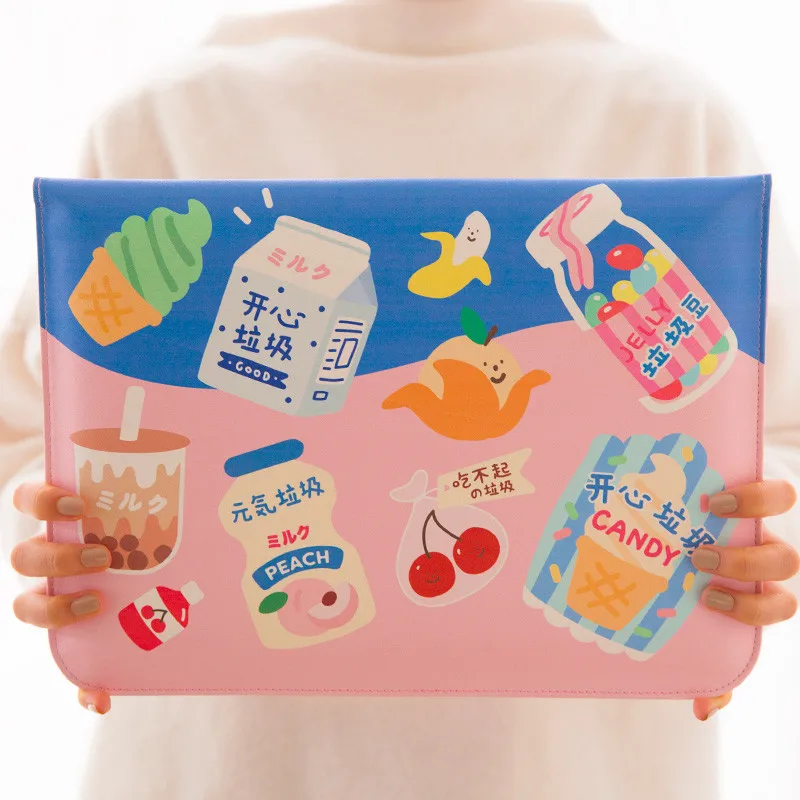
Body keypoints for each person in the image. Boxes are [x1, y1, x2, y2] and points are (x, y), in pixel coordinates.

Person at [3, 1, 800, 798]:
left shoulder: (672, 120)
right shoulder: (169, 116)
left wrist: (759, 541)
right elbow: (23, 429)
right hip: (227, 763)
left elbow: (781, 428)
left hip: (576, 765)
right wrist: (52, 533)